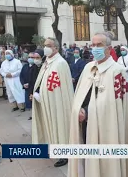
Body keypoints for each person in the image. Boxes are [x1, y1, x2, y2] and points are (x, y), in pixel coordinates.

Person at [68, 31, 128, 177]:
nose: (95, 48)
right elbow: (80, 94)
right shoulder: (88, 67)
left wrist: (88, 112)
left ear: (109, 48)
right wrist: (78, 109)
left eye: (99, 45)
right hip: (85, 124)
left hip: (107, 127)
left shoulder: (117, 71)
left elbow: (114, 106)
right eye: (93, 45)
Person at [31, 37, 74, 167]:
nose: (46, 48)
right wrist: (38, 93)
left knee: (59, 126)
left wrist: (43, 95)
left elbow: (59, 87)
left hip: (58, 103)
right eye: (44, 45)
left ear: (56, 48)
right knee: (50, 126)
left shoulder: (60, 63)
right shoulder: (47, 62)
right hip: (46, 102)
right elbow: (43, 81)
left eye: (48, 45)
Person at [27, 49, 44, 120]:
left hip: (44, 92)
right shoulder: (32, 68)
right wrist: (31, 93)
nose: (35, 60)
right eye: (34, 58)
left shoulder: (46, 67)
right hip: (35, 93)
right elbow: (30, 82)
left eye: (38, 58)